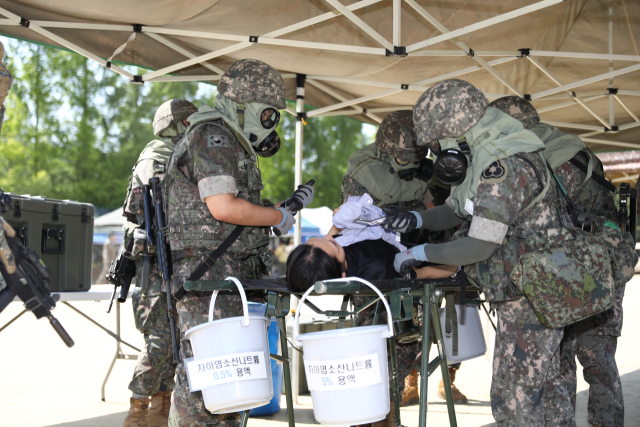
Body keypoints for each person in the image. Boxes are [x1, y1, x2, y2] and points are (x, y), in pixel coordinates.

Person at [383, 79, 576, 426]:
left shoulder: (503, 166)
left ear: (456, 133)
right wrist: (416, 218)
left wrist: (423, 252)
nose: (440, 152)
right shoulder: (488, 155)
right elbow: (460, 210)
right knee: (550, 395)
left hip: (534, 300)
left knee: (515, 403)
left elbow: (480, 244)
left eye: (438, 143)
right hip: (541, 292)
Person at [162, 59, 314, 427]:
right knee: (206, 381)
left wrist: (276, 210)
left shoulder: (229, 140)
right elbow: (223, 207)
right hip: (209, 274)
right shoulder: (212, 136)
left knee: (231, 384)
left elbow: (233, 207)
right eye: (269, 115)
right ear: (244, 107)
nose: (272, 124)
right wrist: (278, 218)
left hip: (225, 273)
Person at [489, 95, 637, 427]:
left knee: (560, 362)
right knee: (598, 363)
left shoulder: (531, 158)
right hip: (604, 262)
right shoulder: (572, 148)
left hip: (572, 269)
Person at [340, 111, 447, 409]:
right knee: (369, 356)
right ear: (386, 151)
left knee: (403, 351)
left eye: (417, 159)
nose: (412, 166)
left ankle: (386, 412)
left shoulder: (424, 174)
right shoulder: (363, 173)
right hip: (374, 279)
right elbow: (362, 223)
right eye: (403, 160)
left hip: (413, 274)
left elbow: (444, 214)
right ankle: (369, 414)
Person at [121, 99, 198, 427]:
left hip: (173, 260)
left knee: (173, 339)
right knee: (159, 341)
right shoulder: (157, 157)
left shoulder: (176, 156)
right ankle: (137, 410)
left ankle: (160, 408)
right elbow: (153, 214)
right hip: (156, 263)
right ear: (181, 124)